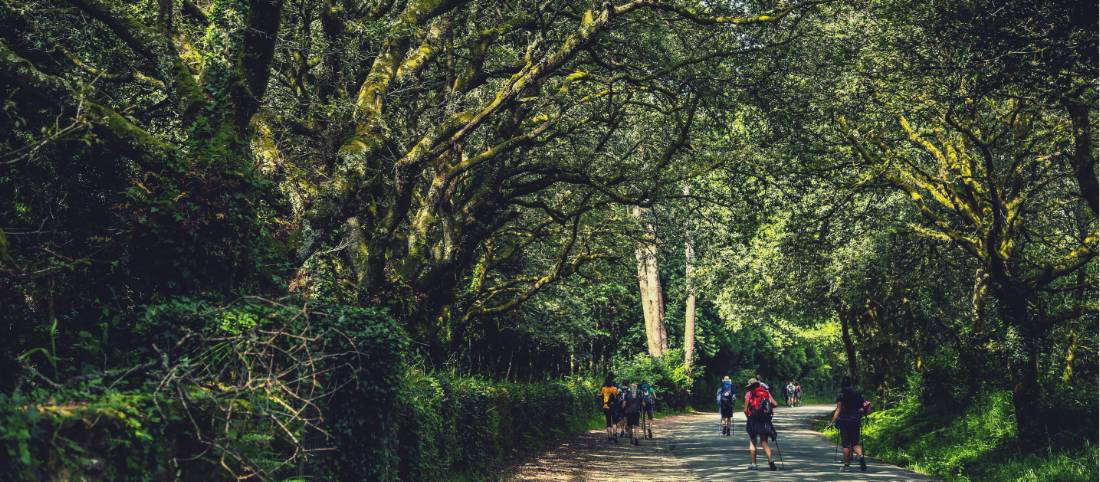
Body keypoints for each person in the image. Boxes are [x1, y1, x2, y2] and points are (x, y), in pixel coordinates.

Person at [830, 376, 868, 472]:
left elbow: (838, 410)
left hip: (845, 421)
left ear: (842, 384)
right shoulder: (858, 394)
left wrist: (832, 422)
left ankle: (846, 466)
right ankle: (861, 456)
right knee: (855, 443)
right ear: (851, 384)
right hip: (856, 420)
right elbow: (863, 408)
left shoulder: (841, 395)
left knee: (846, 444)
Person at [744, 377, 779, 471]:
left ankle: (754, 464)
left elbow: (745, 410)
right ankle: (771, 461)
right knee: (764, 442)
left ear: (750, 386)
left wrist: (749, 418)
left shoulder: (749, 394)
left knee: (752, 441)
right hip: (764, 420)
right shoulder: (765, 393)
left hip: (752, 419)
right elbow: (775, 404)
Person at [600, 375, 620, 442]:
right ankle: (615, 435)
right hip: (614, 407)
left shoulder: (603, 389)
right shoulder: (614, 388)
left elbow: (601, 397)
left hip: (606, 406)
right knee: (614, 422)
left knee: (608, 422)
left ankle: (609, 437)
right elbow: (617, 397)